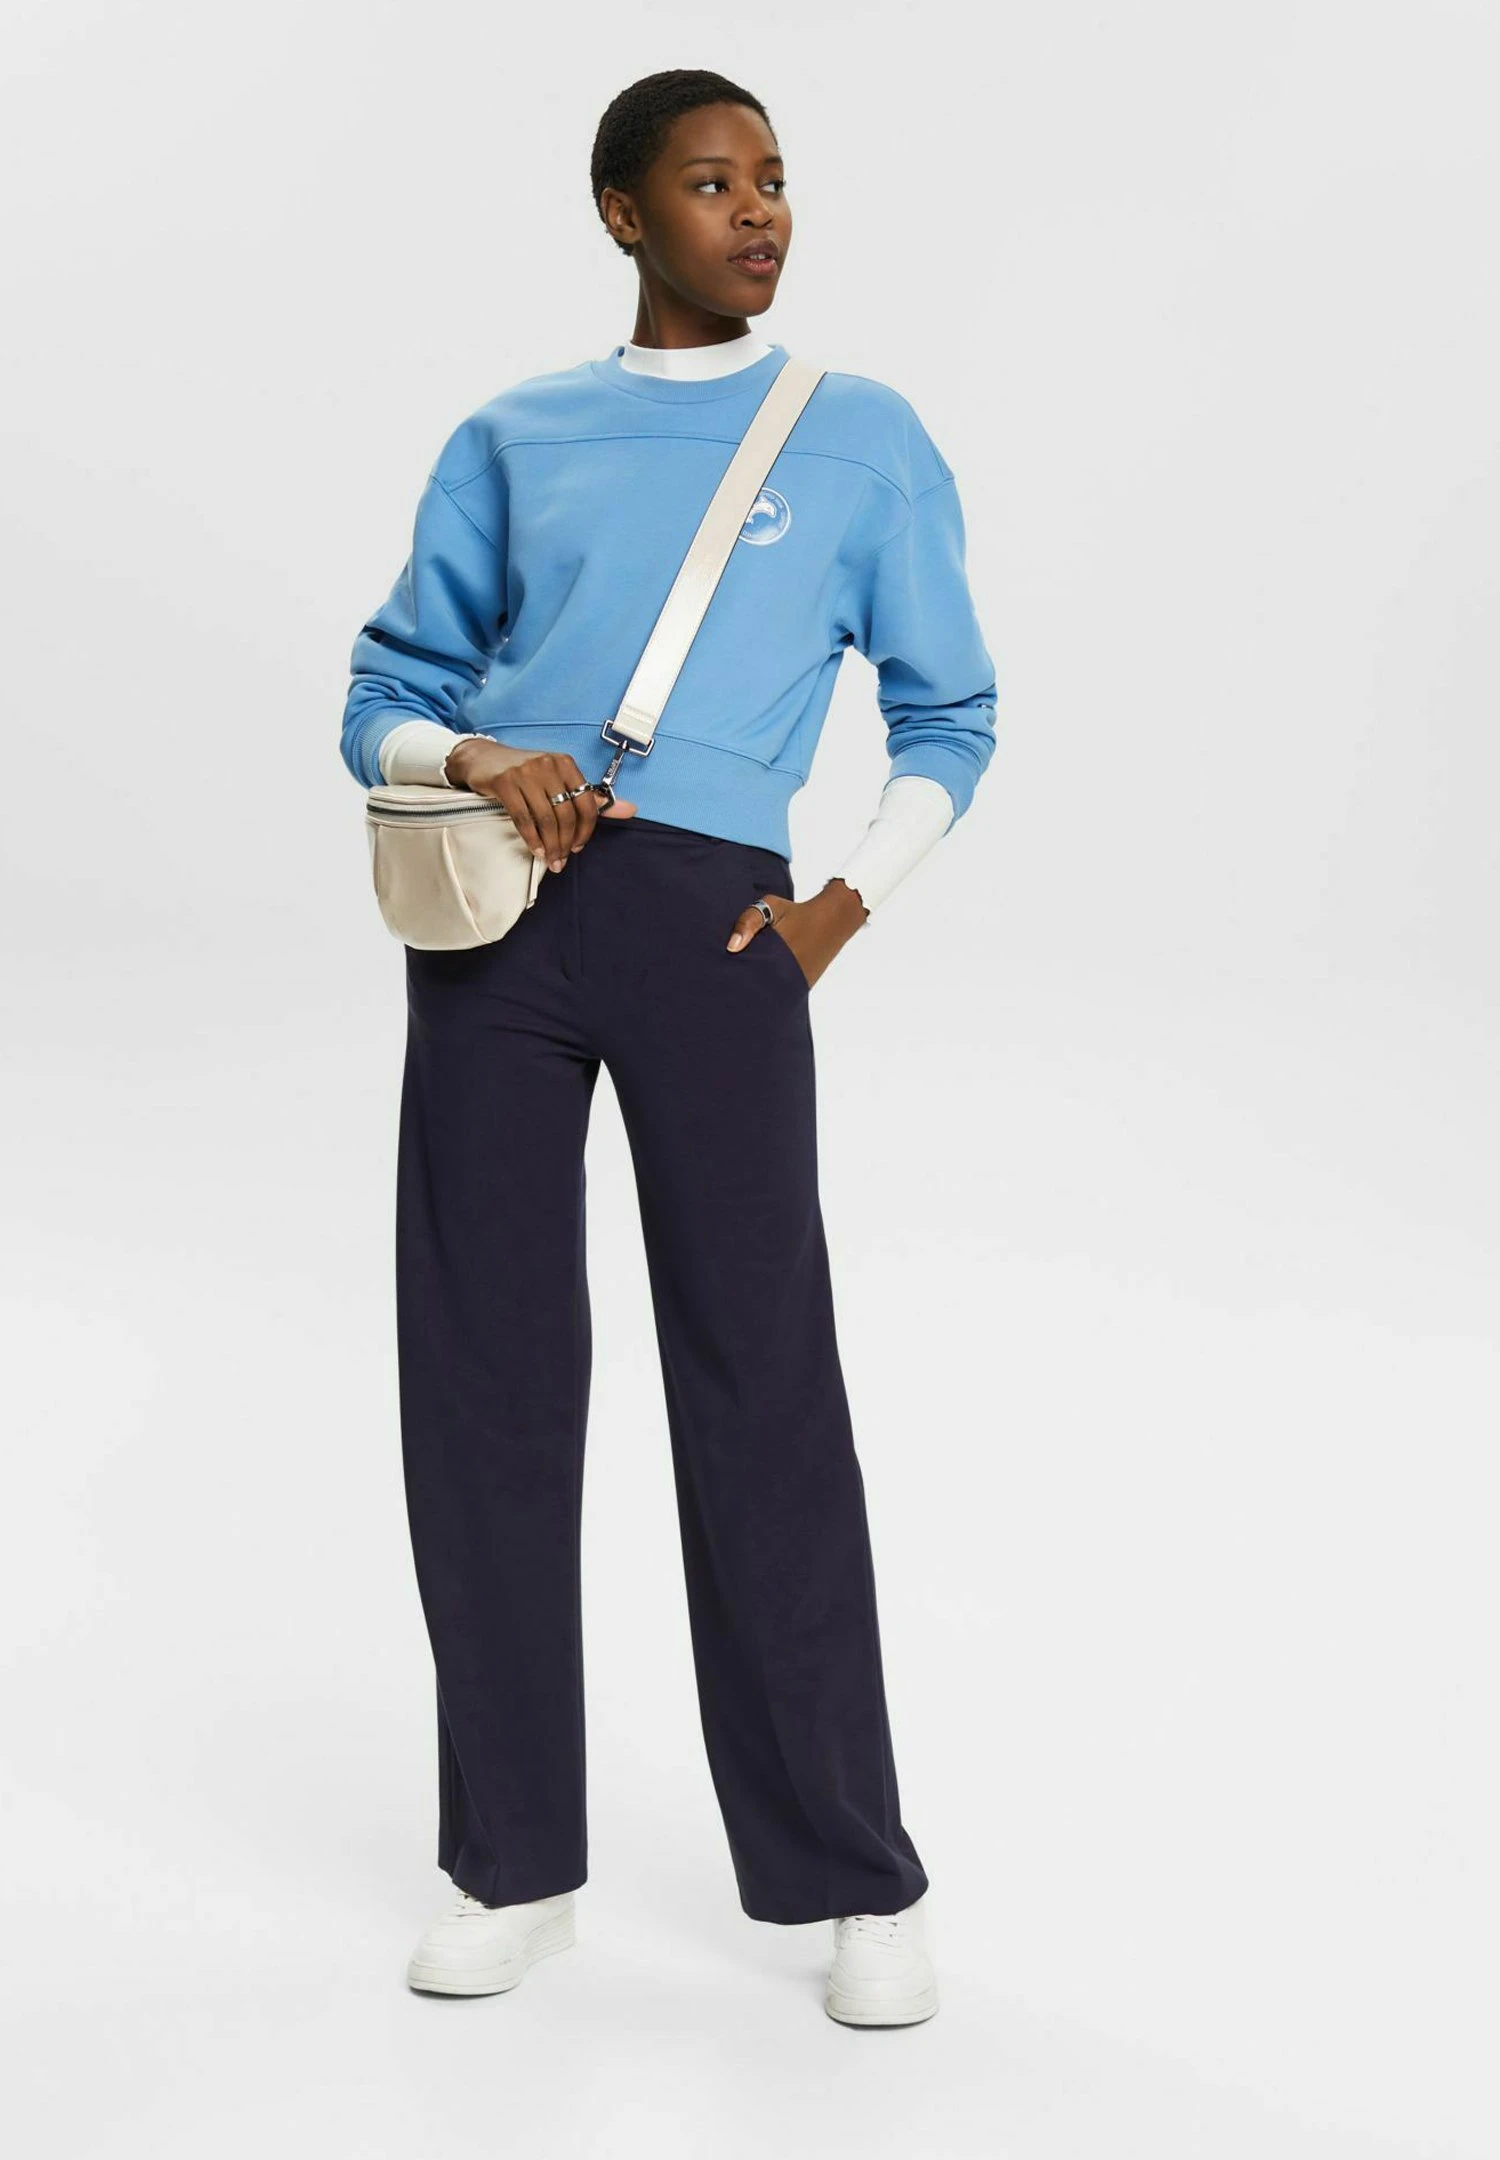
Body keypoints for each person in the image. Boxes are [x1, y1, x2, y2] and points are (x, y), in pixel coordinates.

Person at [339, 67, 997, 2029]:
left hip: (719, 932)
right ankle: (510, 1865)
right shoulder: (515, 433)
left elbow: (952, 714)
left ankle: (852, 1879)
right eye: (713, 183)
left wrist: (834, 910)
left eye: (775, 179)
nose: (760, 211)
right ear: (624, 213)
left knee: (760, 1383)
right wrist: (475, 753)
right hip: (499, 930)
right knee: (484, 1387)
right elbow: (382, 691)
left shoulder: (861, 439)